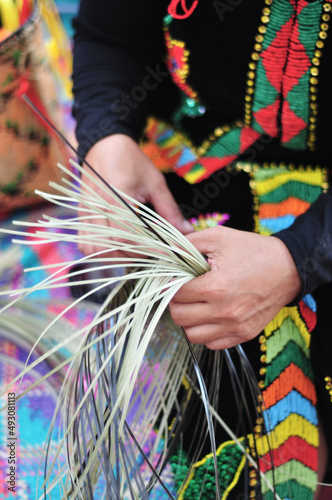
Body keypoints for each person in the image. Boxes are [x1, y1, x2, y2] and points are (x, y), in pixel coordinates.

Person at [72, 0, 332, 498]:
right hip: (197, 168)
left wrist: (300, 257)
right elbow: (111, 39)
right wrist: (107, 136)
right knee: (208, 424)